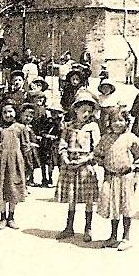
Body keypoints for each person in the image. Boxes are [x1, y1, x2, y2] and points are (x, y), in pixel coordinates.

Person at [95, 107, 139, 251]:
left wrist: (136, 172)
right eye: (114, 120)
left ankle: (126, 237)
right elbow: (98, 152)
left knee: (126, 206)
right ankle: (113, 236)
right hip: (111, 177)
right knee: (113, 207)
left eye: (120, 120)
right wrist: (102, 162)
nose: (117, 123)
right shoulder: (106, 138)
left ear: (126, 122)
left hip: (126, 177)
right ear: (109, 122)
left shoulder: (130, 138)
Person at [56, 90, 100, 242]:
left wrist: (85, 159)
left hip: (85, 165)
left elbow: (97, 148)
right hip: (70, 165)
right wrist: (65, 158)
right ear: (76, 110)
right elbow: (62, 143)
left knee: (88, 198)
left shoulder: (93, 127)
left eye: (89, 111)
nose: (86, 114)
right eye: (83, 110)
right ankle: (69, 227)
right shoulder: (68, 127)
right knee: (71, 197)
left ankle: (88, 228)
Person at [0, 101, 30, 229]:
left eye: (10, 111)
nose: (7, 115)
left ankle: (11, 217)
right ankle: (2, 217)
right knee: (1, 188)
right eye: (4, 112)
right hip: (0, 161)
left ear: (15, 113)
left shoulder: (21, 128)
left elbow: (26, 146)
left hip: (15, 161)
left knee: (14, 188)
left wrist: (27, 163)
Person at [19, 103, 39, 186]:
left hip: (29, 152)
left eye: (30, 117)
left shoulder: (30, 127)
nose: (28, 118)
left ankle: (27, 182)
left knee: (30, 167)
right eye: (26, 116)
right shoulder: (19, 127)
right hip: (22, 151)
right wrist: (31, 144)